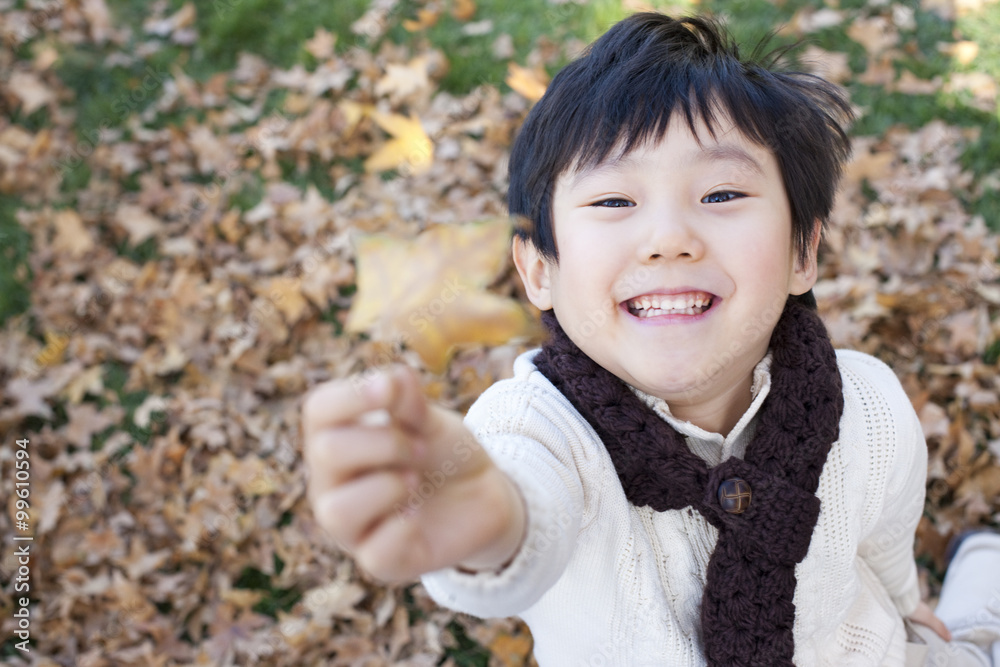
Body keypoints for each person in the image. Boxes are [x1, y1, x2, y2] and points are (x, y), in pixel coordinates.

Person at [302, 13, 1000, 666]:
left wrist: (907, 605)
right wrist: (486, 523)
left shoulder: (866, 404)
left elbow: (882, 537)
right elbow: (523, 508)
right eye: (613, 201)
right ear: (538, 269)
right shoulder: (541, 430)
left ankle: (980, 577)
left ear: (802, 252)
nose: (668, 238)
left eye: (722, 194)